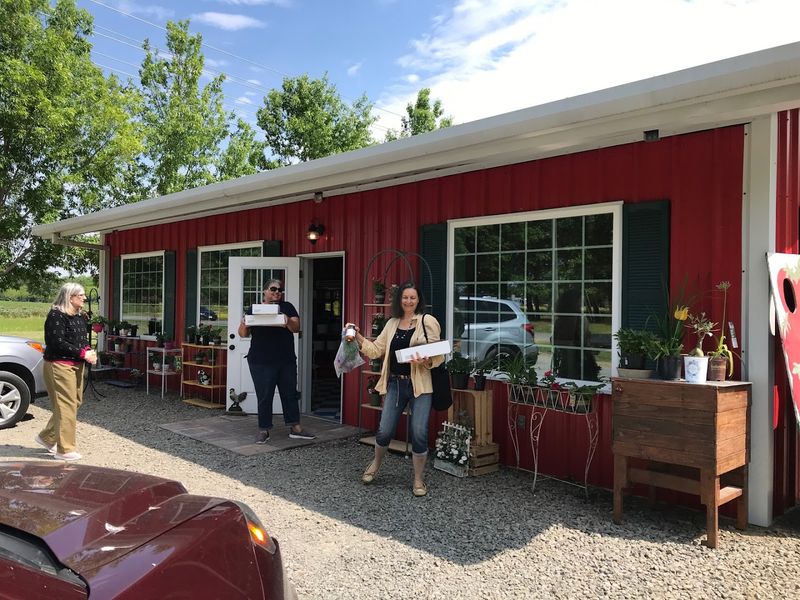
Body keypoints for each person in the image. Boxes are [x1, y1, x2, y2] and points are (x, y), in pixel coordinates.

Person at [350, 282, 444, 497]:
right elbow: (376, 351)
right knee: (384, 430)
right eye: (405, 297)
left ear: (418, 299)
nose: (408, 301)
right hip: (395, 383)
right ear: (399, 300)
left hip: (421, 385)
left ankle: (418, 479)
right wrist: (358, 336)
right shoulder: (392, 323)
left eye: (412, 297)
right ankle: (375, 463)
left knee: (419, 432)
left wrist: (427, 360)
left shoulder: (427, 321)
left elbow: (438, 353)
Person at [238, 279, 315, 443]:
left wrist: (286, 319)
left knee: (290, 394)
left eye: (280, 290)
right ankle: (263, 429)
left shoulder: (287, 307)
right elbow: (243, 334)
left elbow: (296, 328)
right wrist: (244, 322)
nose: (277, 292)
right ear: (264, 291)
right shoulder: (253, 309)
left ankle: (295, 428)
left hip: (285, 360)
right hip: (260, 361)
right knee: (264, 396)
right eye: (273, 289)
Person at [35, 283, 97, 461]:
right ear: (70, 297)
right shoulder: (56, 316)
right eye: (81, 295)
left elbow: (81, 339)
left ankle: (47, 437)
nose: (84, 298)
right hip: (59, 365)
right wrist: (82, 353)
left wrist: (88, 351)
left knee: (75, 402)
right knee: (66, 406)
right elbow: (57, 342)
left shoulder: (79, 316)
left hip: (77, 364)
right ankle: (65, 450)